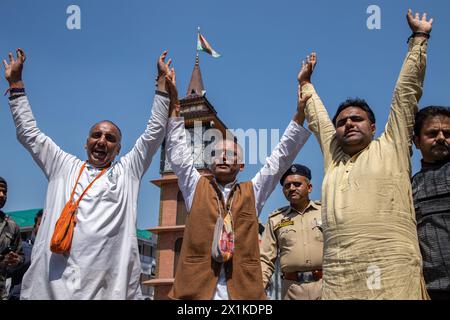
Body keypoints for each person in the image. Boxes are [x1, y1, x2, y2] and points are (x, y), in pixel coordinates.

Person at [2, 49, 173, 299]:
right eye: (96, 135)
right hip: (53, 288)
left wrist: (161, 84)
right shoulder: (62, 165)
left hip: (107, 289)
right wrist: (16, 85)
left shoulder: (127, 172)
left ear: (118, 149)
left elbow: (154, 133)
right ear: (86, 142)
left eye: (110, 138)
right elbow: (29, 133)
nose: (102, 141)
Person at [298, 10, 433, 299]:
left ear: (373, 127)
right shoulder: (334, 160)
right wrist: (306, 84)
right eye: (342, 122)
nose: (348, 124)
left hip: (394, 275)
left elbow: (406, 95)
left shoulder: (391, 147)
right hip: (341, 278)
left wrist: (419, 39)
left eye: (356, 119)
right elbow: (319, 121)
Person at [163, 67, 311, 299]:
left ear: (241, 166)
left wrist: (300, 113)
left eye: (230, 154)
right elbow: (178, 153)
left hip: (242, 293)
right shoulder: (195, 186)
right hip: (196, 292)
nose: (222, 157)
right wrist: (173, 103)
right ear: (209, 163)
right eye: (216, 153)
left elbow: (280, 159)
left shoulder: (253, 192)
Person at [260, 164, 323, 300]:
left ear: (310, 188)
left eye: (297, 184)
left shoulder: (325, 211)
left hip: (325, 286)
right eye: (287, 186)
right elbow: (266, 259)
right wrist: (258, 288)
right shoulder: (276, 219)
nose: (292, 188)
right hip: (291, 290)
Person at [412, 106, 450, 300]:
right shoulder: (408, 188)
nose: (441, 138)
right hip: (432, 290)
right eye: (433, 133)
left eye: (448, 133)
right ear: (416, 141)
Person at [8, 209, 43, 300]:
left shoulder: (56, 252)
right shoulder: (22, 248)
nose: (43, 228)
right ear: (34, 226)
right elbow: (6, 271)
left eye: (46, 225)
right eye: (40, 224)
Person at [0, 177, 24, 300]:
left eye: (5, 192)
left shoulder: (11, 225)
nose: (2, 195)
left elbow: (20, 255)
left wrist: (16, 260)